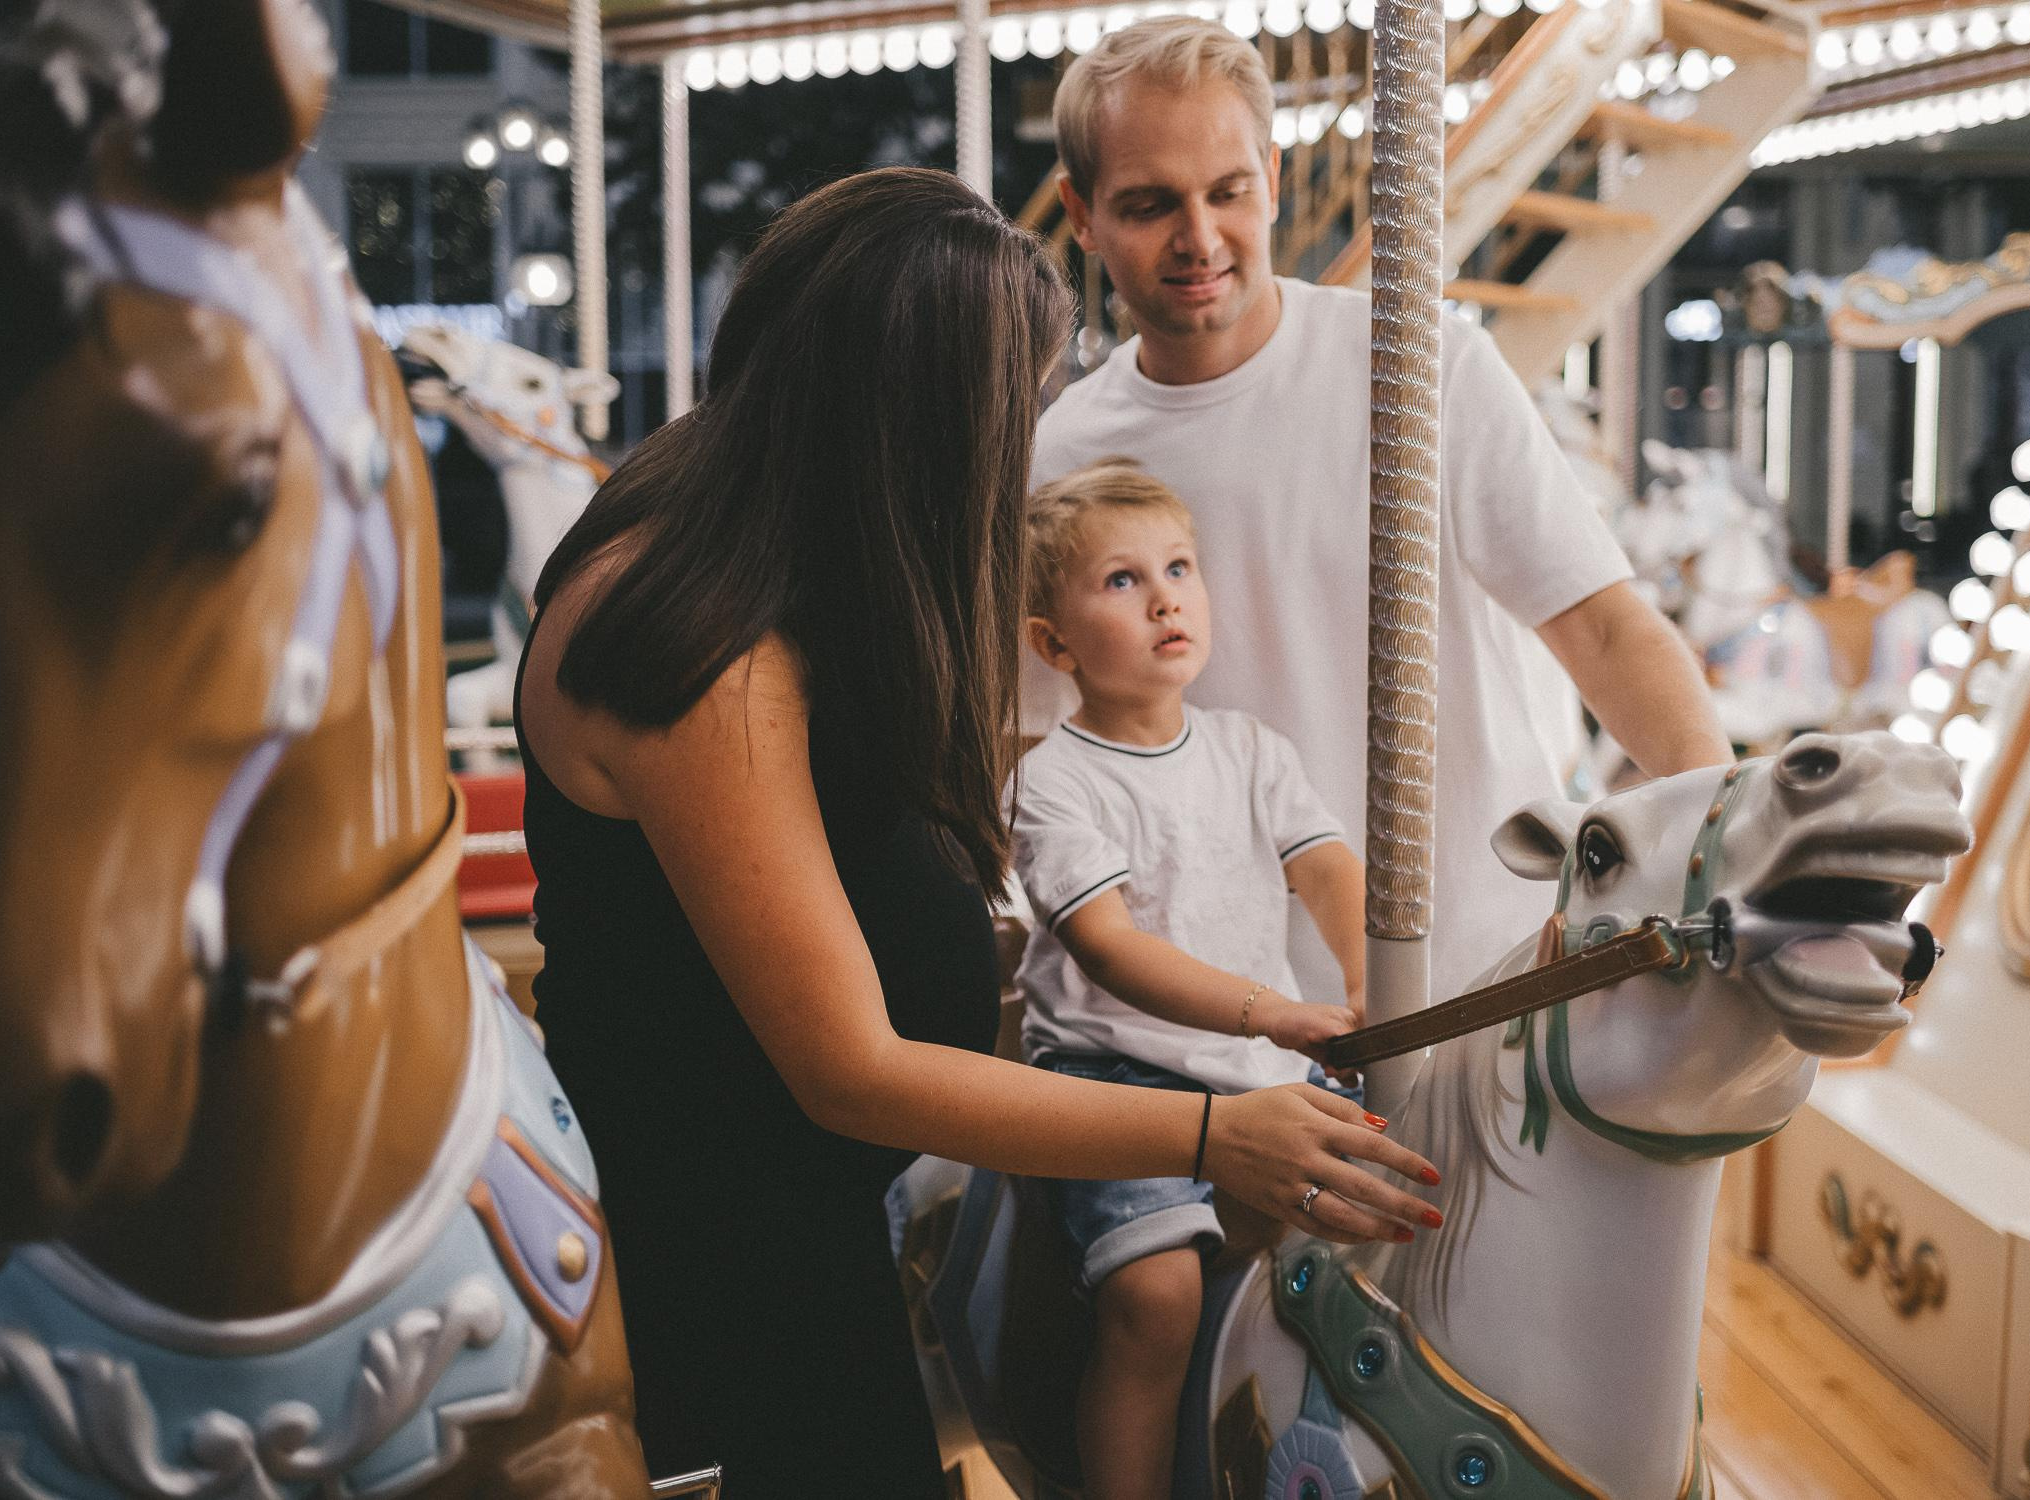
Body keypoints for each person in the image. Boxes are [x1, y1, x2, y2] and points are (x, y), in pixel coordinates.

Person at [516, 168, 1442, 1498]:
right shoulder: (701, 643)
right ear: (916, 415)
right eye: (1025, 401)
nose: (1026, 437)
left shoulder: (755, 541)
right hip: (729, 1257)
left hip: (822, 1210)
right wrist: (1204, 1137)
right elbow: (845, 1067)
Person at [1030, 19, 1734, 1012]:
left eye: (1227, 192)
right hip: (1229, 1027)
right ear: (1081, 213)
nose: (1199, 237)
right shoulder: (1061, 456)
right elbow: (1042, 743)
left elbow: (1603, 628)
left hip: (1484, 973)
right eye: (1149, 205)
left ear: (1271, 180)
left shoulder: (1420, 366)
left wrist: (1731, 836)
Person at [1011, 458, 1417, 1500]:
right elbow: (1109, 947)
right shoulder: (1053, 782)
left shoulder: (1247, 748)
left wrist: (1370, 973)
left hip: (1257, 1067)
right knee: (1155, 1298)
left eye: (1179, 568)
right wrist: (1275, 1012)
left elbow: (1327, 869)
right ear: (1053, 645)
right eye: (1121, 580)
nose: (1165, 598)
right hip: (1118, 1080)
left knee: (1402, 1218)